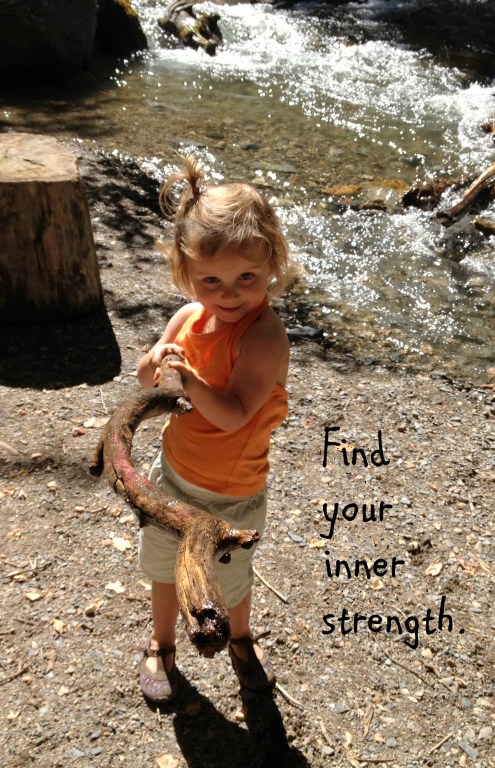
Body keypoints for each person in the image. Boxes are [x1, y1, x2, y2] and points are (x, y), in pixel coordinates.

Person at [136, 154, 300, 703]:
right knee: (166, 570)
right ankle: (161, 644)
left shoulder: (264, 336)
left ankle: (241, 638)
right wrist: (155, 361)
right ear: (186, 274)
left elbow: (234, 413)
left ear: (272, 263)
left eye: (245, 277)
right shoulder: (187, 317)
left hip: (233, 490)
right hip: (174, 476)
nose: (229, 293)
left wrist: (190, 382)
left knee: (231, 578)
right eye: (211, 280)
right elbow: (148, 382)